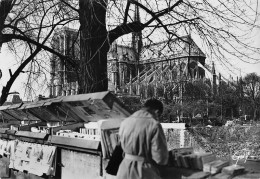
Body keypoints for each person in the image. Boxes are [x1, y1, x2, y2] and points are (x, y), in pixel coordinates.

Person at [117, 98, 169, 179]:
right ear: (157, 112)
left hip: (124, 169)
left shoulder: (126, 121)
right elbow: (160, 158)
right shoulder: (153, 124)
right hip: (143, 171)